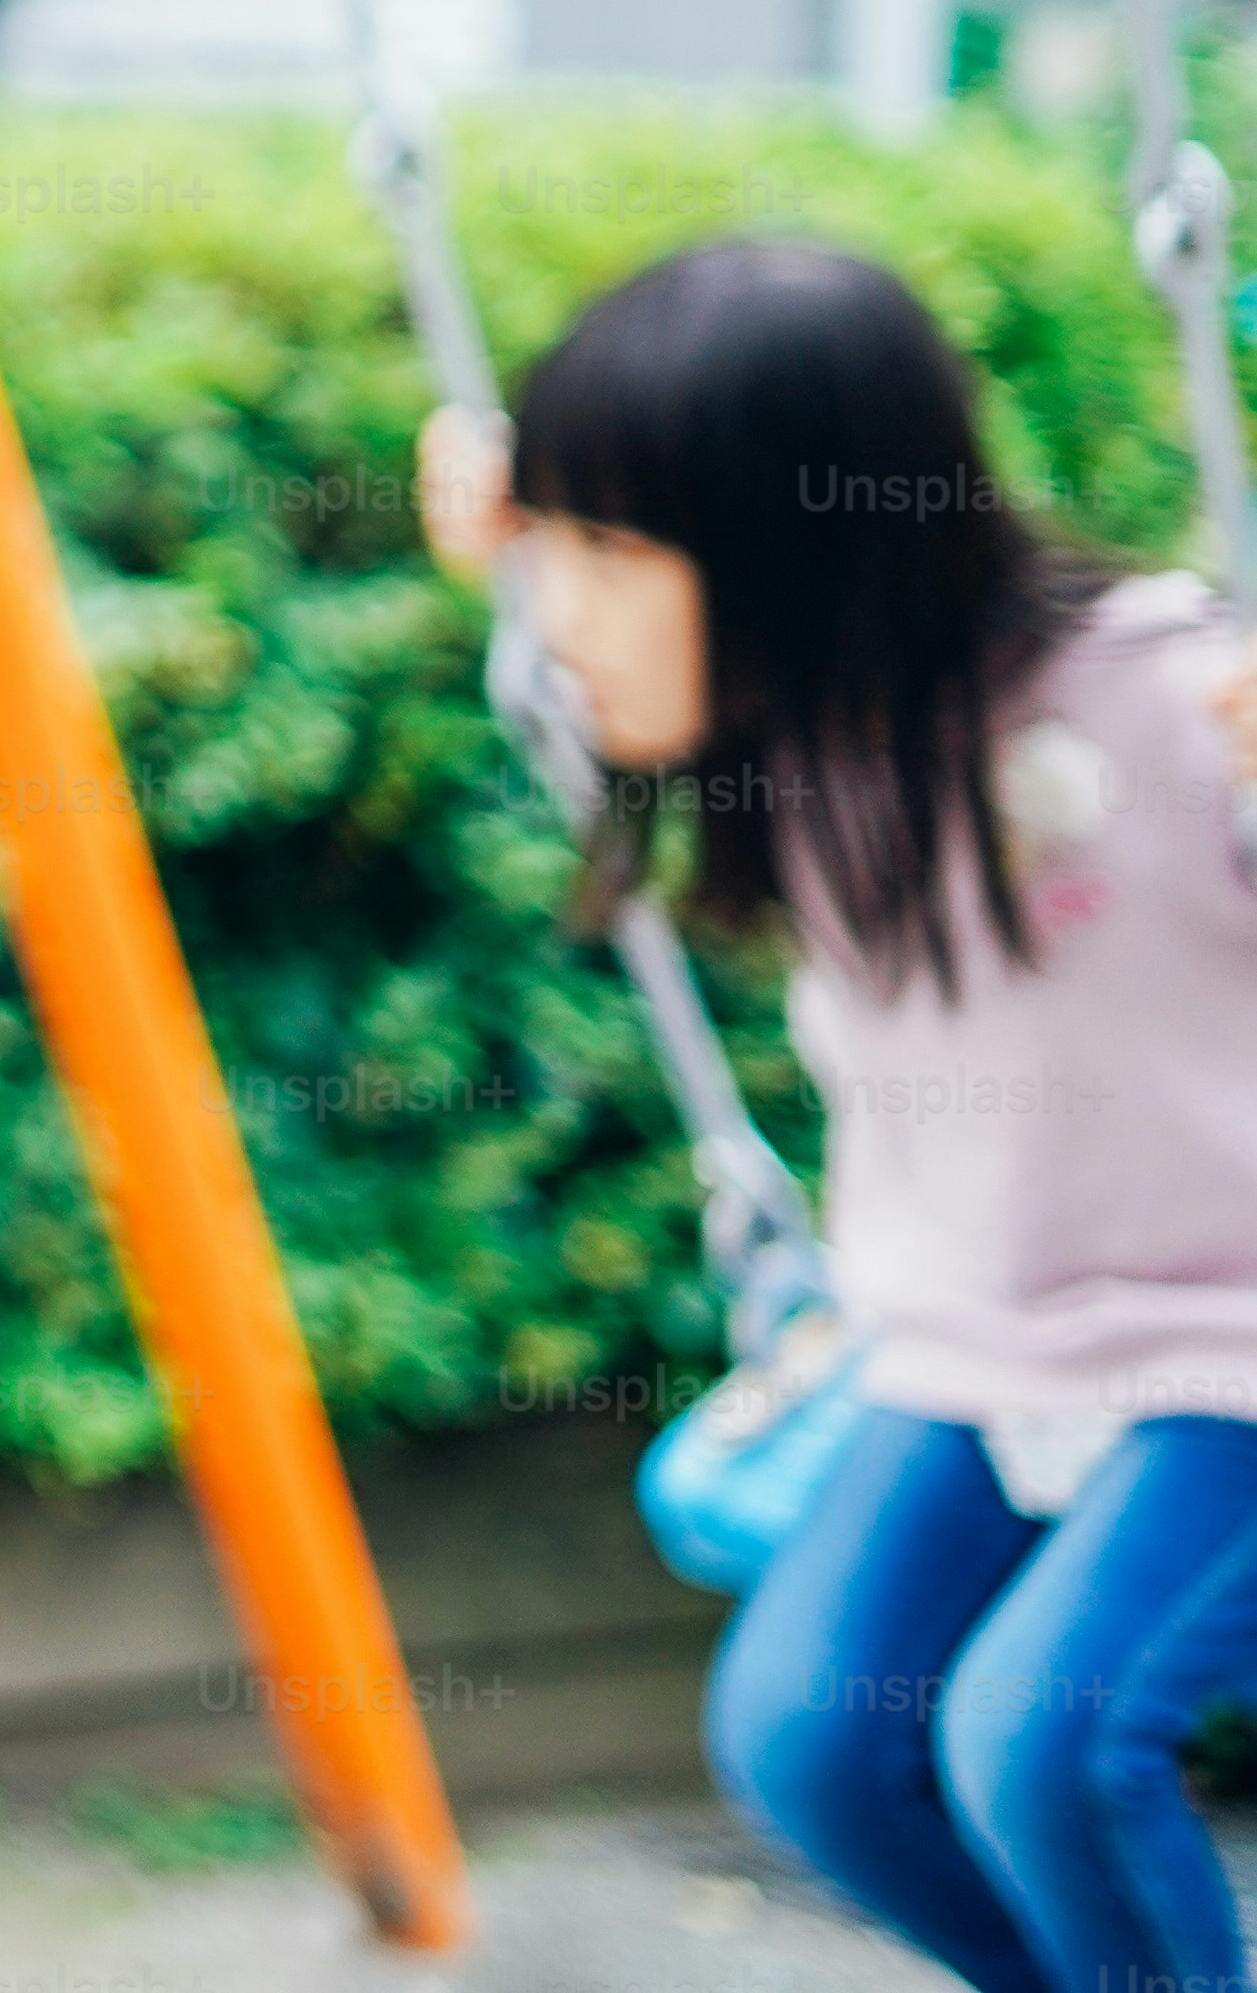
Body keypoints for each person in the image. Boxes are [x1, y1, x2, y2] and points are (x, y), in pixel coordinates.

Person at [427, 239, 1257, 1993]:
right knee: (813, 1736)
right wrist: (522, 535)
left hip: (1232, 1355)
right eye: (550, 547)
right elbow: (599, 678)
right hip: (974, 1349)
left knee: (1040, 1742)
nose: (557, 609)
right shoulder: (781, 737)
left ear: (799, 552)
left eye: (610, 551)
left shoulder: (1170, 697)